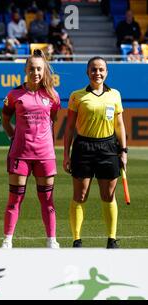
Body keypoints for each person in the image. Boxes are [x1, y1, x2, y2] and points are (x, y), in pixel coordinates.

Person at [63, 56, 127, 249]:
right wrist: (66, 154)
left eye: (101, 70)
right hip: (83, 148)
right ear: (87, 72)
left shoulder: (115, 95)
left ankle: (112, 239)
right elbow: (69, 128)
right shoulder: (77, 95)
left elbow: (120, 124)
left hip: (108, 148)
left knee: (108, 195)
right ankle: (76, 239)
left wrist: (123, 151)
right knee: (80, 196)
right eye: (93, 69)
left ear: (106, 72)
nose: (97, 73)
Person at [0, 49, 61, 249]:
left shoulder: (52, 95)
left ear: (44, 71)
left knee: (47, 200)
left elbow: (53, 119)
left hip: (45, 155)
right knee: (14, 199)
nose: (35, 72)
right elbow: (6, 118)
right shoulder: (14, 94)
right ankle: (7, 240)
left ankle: (51, 240)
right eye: (32, 69)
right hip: (20, 154)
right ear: (25, 70)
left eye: (39, 69)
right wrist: (13, 136)